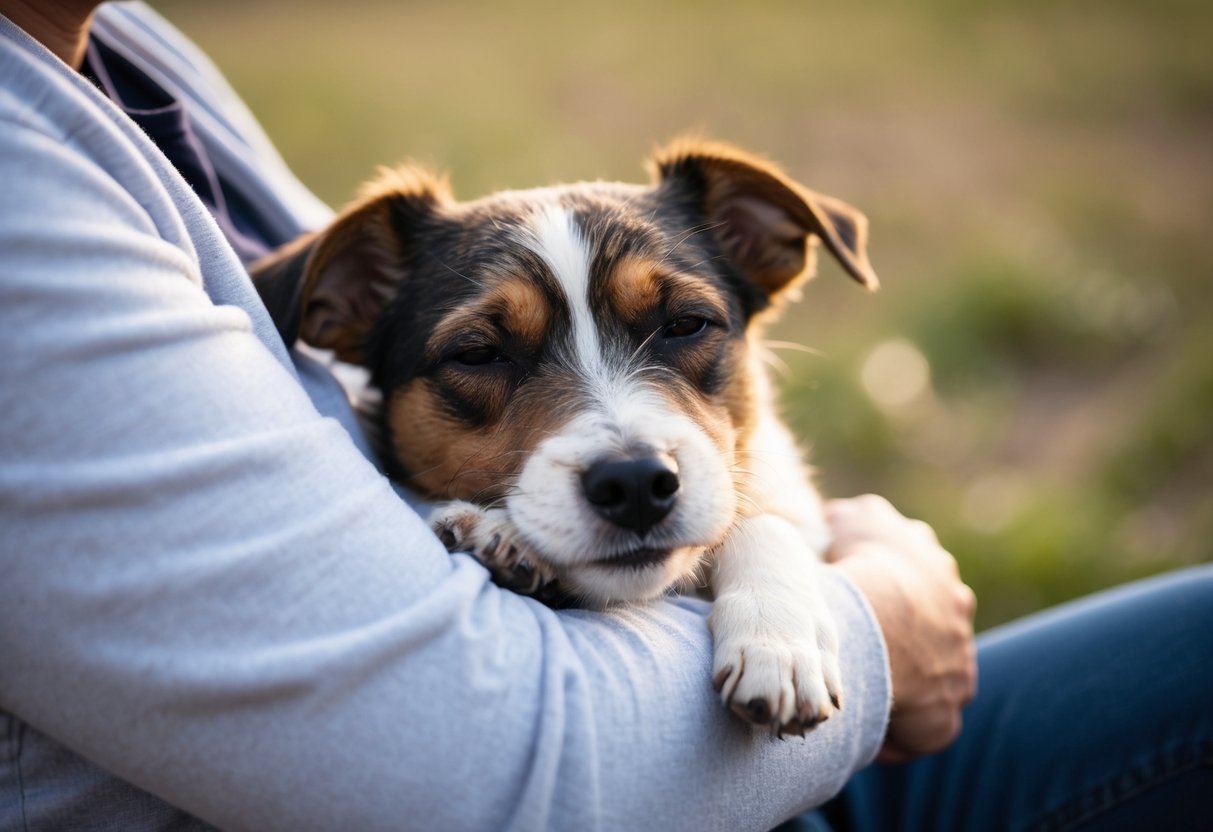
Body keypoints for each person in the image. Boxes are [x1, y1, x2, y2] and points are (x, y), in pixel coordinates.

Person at [0, 3, 1208, 830]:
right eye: (485, 353)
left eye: (679, 326)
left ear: (759, 269)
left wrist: (778, 552)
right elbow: (481, 767)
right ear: (348, 317)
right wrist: (875, 629)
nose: (622, 445)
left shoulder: (128, 48)